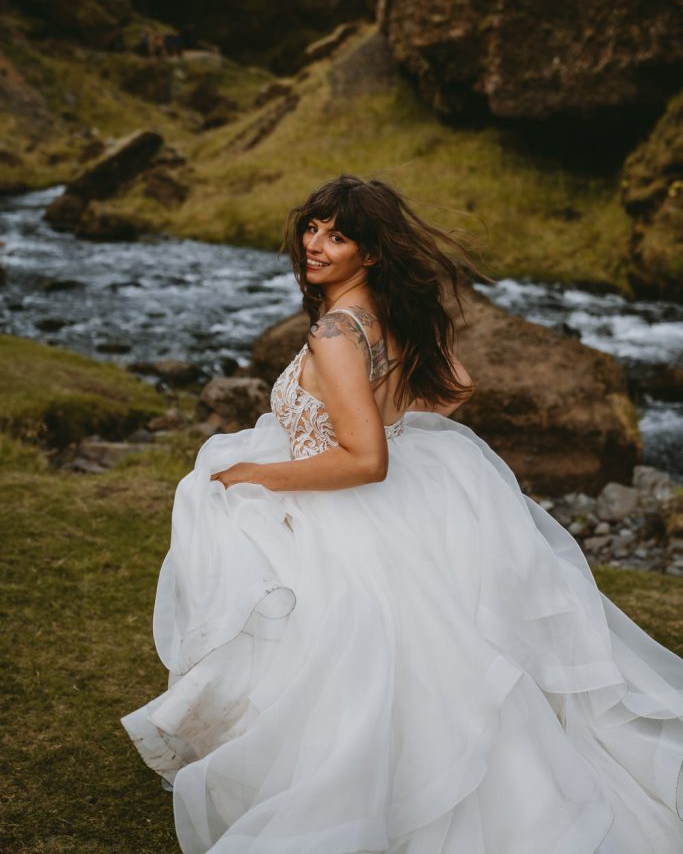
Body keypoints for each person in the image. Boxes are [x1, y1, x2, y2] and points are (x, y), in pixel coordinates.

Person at [122, 175, 683, 853]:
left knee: (340, 657)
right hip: (394, 502)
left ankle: (344, 794)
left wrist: (255, 474)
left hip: (343, 500)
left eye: (337, 235)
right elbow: (454, 385)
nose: (316, 245)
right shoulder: (388, 315)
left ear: (370, 252)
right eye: (312, 228)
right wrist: (392, 425)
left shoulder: (336, 331)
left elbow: (364, 462)